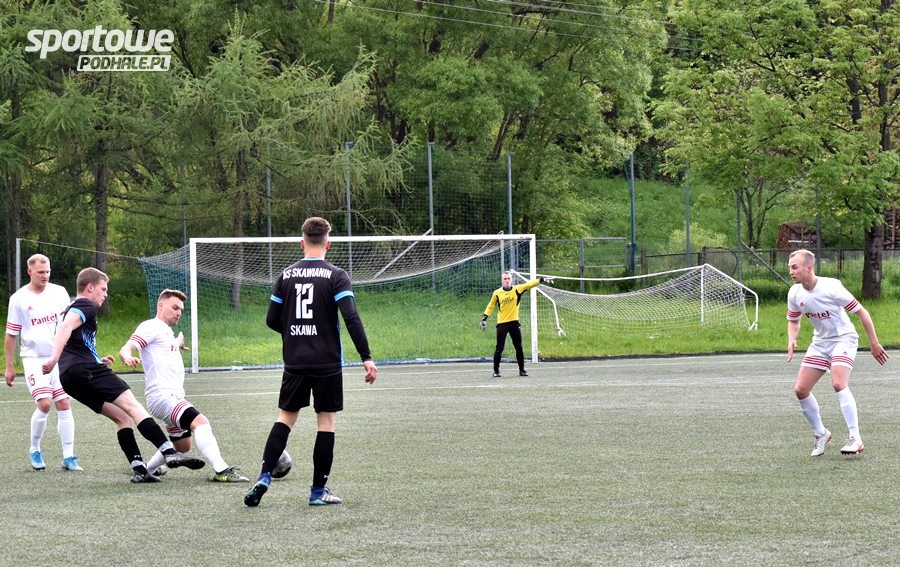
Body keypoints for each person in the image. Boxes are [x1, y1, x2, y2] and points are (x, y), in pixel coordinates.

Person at [244, 216, 377, 507]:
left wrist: (295, 334)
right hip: (326, 361)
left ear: (301, 243)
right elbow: (351, 317)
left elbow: (272, 320)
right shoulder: (336, 275)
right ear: (328, 244)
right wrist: (366, 357)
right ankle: (317, 492)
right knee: (326, 423)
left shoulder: (286, 275)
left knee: (285, 418)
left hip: (295, 361)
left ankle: (265, 476)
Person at [41, 267, 205, 483]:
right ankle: (168, 451)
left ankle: (139, 469)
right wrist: (53, 358)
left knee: (122, 418)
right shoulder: (85, 304)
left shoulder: (70, 307)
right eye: (103, 289)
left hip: (69, 377)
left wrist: (96, 359)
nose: (105, 294)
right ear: (89, 287)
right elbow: (66, 328)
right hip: (83, 369)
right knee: (133, 406)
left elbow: (74, 341)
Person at [118, 289, 249, 483]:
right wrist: (127, 356)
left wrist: (177, 343)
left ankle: (148, 470)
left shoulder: (165, 331)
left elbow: (163, 347)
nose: (179, 312)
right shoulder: (151, 326)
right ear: (160, 305)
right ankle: (222, 470)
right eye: (174, 307)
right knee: (200, 422)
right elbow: (127, 347)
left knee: (183, 446)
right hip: (163, 396)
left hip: (170, 397)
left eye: (181, 309)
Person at [786, 249, 889, 457]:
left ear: (809, 267)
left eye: (794, 267)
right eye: (790, 267)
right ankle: (821, 433)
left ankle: (855, 438)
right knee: (801, 390)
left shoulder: (831, 287)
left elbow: (862, 312)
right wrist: (792, 338)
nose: (791, 271)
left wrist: (874, 343)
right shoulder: (794, 293)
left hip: (844, 338)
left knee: (839, 383)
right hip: (820, 343)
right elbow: (794, 320)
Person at [4, 254, 81, 471]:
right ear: (30, 272)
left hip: (59, 357)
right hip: (34, 359)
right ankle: (35, 449)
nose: (45, 275)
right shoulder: (18, 299)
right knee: (45, 403)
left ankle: (69, 456)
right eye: (40, 272)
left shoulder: (59, 292)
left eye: (47, 271)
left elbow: (70, 325)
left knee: (64, 403)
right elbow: (11, 334)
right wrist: (9, 366)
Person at [480, 271, 551, 377]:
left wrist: (541, 280)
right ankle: (496, 371)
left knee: (518, 347)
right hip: (502, 324)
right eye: (505, 279)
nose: (507, 281)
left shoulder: (517, 289)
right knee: (499, 348)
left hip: (514, 323)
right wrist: (484, 318)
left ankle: (522, 370)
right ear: (502, 280)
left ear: (511, 280)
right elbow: (491, 305)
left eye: (509, 278)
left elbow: (529, 284)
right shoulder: (497, 293)